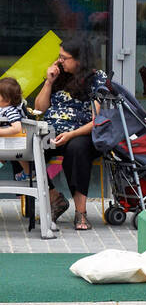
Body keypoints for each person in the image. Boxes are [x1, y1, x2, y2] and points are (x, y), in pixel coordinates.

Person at [31, 38, 107, 230]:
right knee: (27, 147)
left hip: (82, 134)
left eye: (64, 58)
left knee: (77, 149)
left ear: (80, 60)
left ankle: (81, 212)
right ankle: (55, 198)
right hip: (52, 132)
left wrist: (71, 134)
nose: (60, 61)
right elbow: (39, 109)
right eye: (59, 57)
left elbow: (97, 120)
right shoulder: (59, 76)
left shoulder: (97, 79)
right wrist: (49, 82)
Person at [0, 76, 32, 183]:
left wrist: (1, 132)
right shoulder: (3, 108)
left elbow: (17, 127)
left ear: (7, 100)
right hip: (7, 143)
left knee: (18, 155)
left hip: (15, 142)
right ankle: (28, 173)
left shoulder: (10, 110)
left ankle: (28, 173)